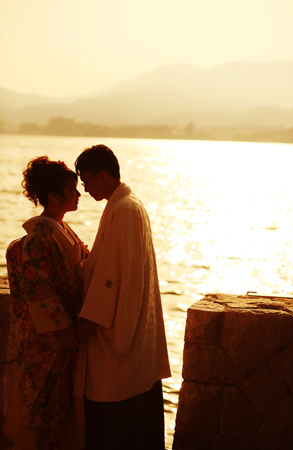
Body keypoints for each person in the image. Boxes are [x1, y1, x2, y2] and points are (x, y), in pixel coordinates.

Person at [73, 144, 171, 450]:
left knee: (112, 431)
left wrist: (83, 330)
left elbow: (110, 281)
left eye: (87, 180)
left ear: (103, 175)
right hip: (132, 333)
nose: (85, 188)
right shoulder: (128, 203)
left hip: (113, 340)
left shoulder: (123, 209)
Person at [4, 156, 87, 450]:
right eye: (71, 189)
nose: (78, 194)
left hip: (63, 337)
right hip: (50, 341)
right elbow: (37, 288)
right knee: (42, 409)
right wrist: (64, 330)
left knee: (57, 411)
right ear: (54, 196)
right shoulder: (41, 236)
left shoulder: (62, 231)